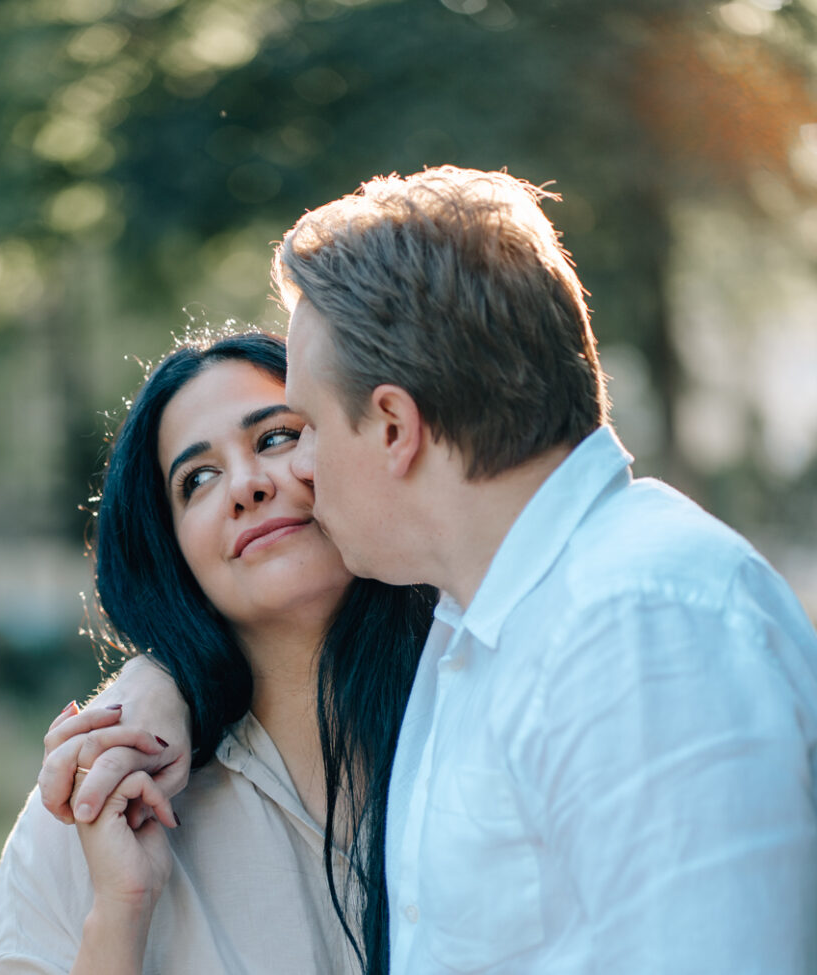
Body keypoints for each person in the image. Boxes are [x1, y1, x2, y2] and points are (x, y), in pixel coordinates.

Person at [58, 166, 817, 973]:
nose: (299, 471)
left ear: (393, 427)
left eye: (301, 427)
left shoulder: (641, 623)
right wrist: (167, 679)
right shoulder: (477, 631)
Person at [0, 332, 435, 975]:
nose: (245, 487)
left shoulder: (483, 702)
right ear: (175, 558)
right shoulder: (87, 808)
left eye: (276, 438)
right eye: (197, 479)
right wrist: (120, 909)